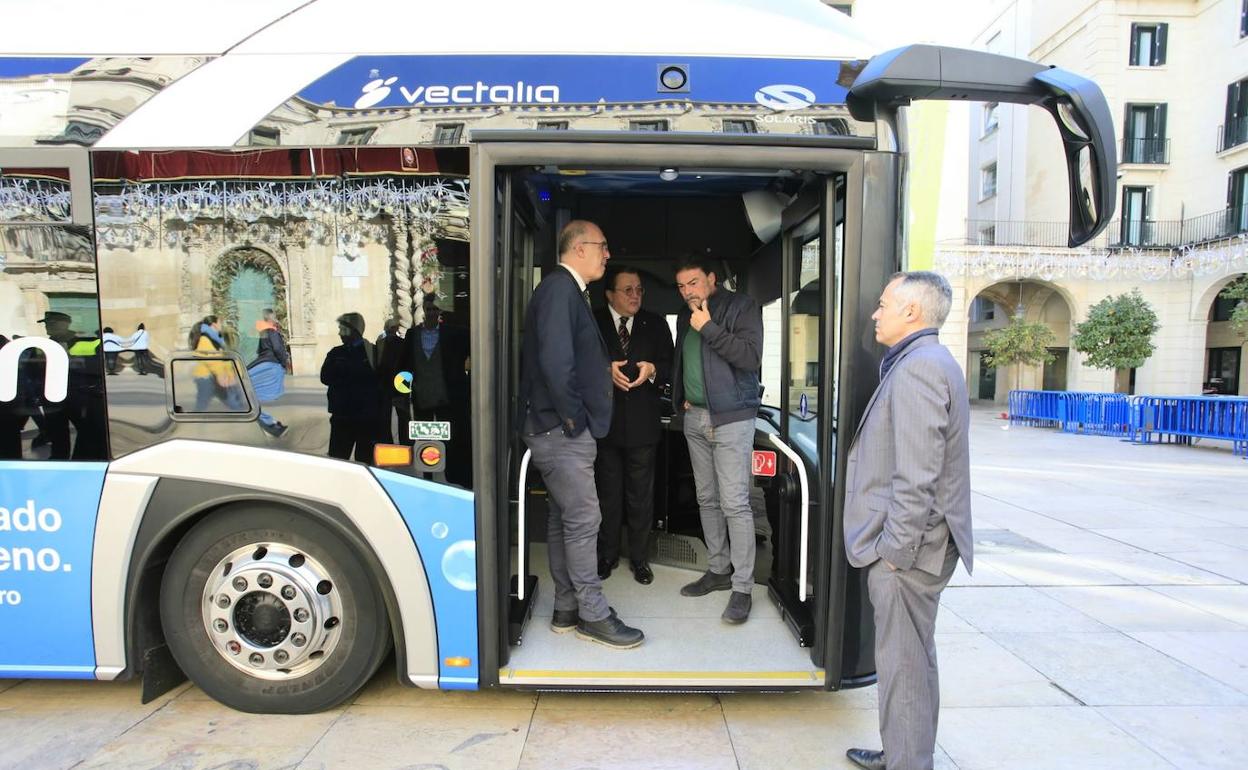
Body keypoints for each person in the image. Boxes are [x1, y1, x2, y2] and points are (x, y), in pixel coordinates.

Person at [843, 271, 973, 770]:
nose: (875, 313)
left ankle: (906, 763)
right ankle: (904, 752)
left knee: (904, 666)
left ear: (912, 312)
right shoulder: (924, 361)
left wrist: (894, 555)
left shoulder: (919, 367)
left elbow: (917, 476)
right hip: (918, 549)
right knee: (911, 664)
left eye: (882, 305)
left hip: (910, 555)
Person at [518, 219, 643, 649]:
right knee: (586, 519)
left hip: (556, 428)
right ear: (579, 249)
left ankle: (567, 609)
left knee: (563, 519)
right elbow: (556, 363)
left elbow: (569, 357)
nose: (608, 254)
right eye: (602, 246)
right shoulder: (559, 289)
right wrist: (573, 420)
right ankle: (593, 613)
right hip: (561, 430)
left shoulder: (567, 290)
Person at [671, 258, 763, 625]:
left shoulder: (741, 307)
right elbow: (684, 360)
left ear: (712, 279)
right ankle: (718, 569)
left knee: (735, 503)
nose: (687, 292)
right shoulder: (684, 316)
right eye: (681, 286)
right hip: (695, 416)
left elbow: (749, 358)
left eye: (693, 282)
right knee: (706, 499)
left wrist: (708, 327)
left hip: (732, 419)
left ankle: (743, 588)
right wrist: (681, 398)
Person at [593, 267, 672, 585]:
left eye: (638, 289)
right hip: (605, 425)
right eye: (627, 290)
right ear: (610, 294)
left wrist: (652, 369)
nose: (635, 295)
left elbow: (670, 364)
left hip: (643, 425)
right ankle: (607, 555)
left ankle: (640, 559)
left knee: (641, 496)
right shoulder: (592, 321)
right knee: (607, 495)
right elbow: (578, 362)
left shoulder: (655, 323)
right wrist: (603, 370)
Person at [402, 294, 472, 486]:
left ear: (440, 312)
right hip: (422, 396)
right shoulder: (412, 335)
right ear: (424, 311)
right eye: (429, 309)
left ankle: (453, 475)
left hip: (447, 397)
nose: (432, 313)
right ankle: (427, 478)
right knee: (424, 440)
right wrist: (402, 393)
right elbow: (405, 367)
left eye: (435, 309)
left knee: (451, 438)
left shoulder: (455, 333)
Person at [320, 312, 382, 462]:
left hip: (365, 416)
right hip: (342, 416)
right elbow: (325, 377)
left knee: (365, 460)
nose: (339, 333)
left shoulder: (373, 352)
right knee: (338, 458)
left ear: (354, 330)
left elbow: (380, 382)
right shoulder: (336, 353)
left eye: (343, 329)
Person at [249, 308, 290, 437]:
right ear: (272, 318)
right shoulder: (272, 332)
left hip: (263, 363)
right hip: (271, 364)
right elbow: (277, 349)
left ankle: (270, 423)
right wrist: (284, 363)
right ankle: (270, 425)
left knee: (250, 396)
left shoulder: (263, 332)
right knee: (249, 397)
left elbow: (260, 351)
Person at [190, 315, 245, 413]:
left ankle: (243, 414)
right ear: (214, 324)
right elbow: (212, 359)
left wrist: (233, 374)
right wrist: (221, 374)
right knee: (201, 406)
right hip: (205, 378)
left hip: (214, 377)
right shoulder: (205, 339)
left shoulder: (216, 338)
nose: (221, 325)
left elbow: (225, 358)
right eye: (220, 322)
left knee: (232, 401)